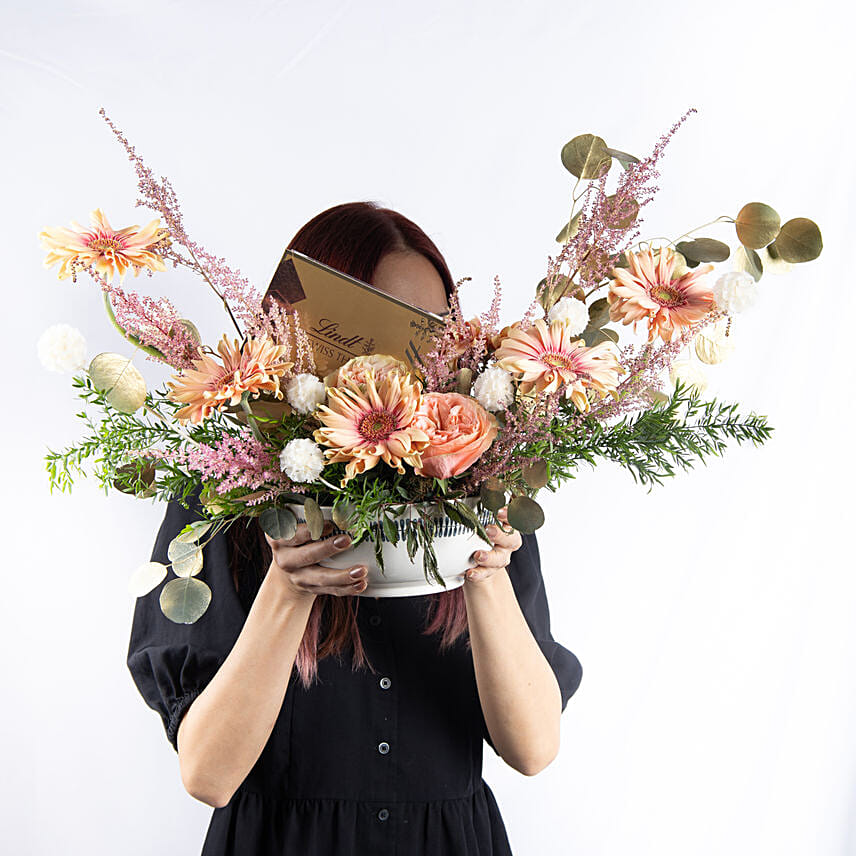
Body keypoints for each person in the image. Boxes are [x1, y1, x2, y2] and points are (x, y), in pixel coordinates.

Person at [126, 201, 583, 855]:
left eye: (433, 341)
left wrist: (481, 565)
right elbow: (208, 775)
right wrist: (289, 587)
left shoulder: (481, 486)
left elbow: (533, 750)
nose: (406, 375)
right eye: (379, 339)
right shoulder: (226, 489)